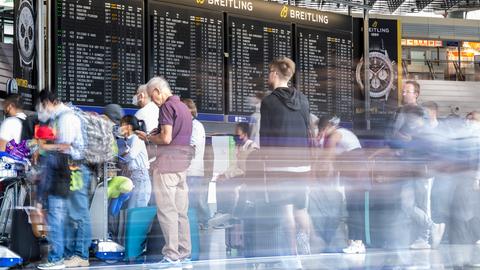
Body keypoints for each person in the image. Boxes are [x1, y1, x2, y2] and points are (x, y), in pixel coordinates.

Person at [136, 77, 193, 270]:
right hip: (182, 166)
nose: (154, 101)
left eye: (154, 97)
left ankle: (171, 256)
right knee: (181, 213)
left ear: (158, 91)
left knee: (167, 212)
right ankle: (185, 252)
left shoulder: (167, 107)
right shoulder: (184, 108)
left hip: (167, 166)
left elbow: (166, 138)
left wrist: (150, 137)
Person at [259, 56, 311, 266]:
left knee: (286, 211)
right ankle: (307, 242)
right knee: (301, 209)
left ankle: (292, 259)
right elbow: (308, 130)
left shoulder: (269, 101)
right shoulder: (304, 100)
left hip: (280, 164)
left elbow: (266, 136)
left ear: (274, 74)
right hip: (303, 163)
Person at [36, 91, 91, 269]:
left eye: (43, 105)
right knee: (67, 216)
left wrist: (43, 146)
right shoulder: (59, 117)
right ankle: (69, 255)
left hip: (74, 170)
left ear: (50, 102)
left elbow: (65, 146)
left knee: (80, 214)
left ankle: (81, 255)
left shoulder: (66, 118)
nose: (42, 110)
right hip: (67, 170)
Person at [209, 123, 259, 228]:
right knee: (219, 181)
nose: (235, 136)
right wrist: (224, 174)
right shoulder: (238, 146)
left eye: (237, 134)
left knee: (229, 187)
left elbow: (245, 170)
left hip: (246, 177)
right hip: (238, 175)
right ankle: (222, 213)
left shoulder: (252, 148)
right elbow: (234, 165)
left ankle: (229, 216)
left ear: (245, 134)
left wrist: (227, 175)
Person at [183, 98, 209, 227]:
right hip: (190, 170)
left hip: (192, 170)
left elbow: (191, 148)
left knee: (191, 202)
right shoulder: (191, 125)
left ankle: (194, 225)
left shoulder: (195, 126)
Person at [119, 115, 151, 208]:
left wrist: (120, 159)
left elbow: (131, 156)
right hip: (135, 177)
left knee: (136, 210)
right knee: (132, 210)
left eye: (121, 125)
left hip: (140, 177)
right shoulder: (129, 140)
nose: (119, 127)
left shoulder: (137, 138)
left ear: (129, 126)